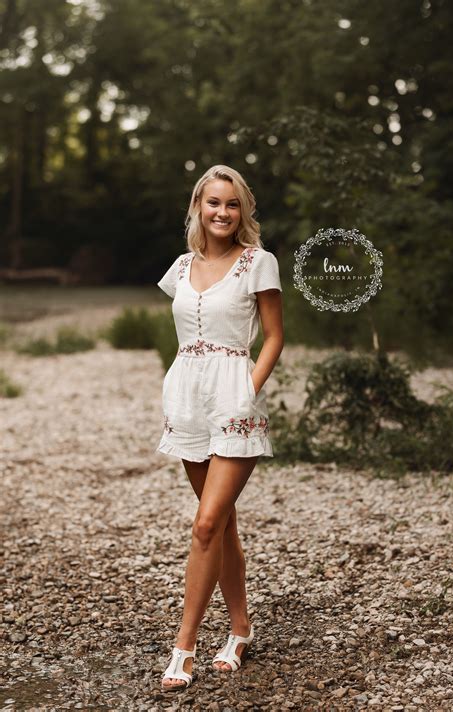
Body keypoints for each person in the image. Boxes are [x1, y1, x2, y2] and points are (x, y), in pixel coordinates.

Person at [155, 164, 284, 692]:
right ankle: (239, 630)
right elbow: (187, 338)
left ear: (243, 211)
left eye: (232, 204)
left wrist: (246, 390)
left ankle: (182, 646)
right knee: (223, 523)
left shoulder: (258, 262)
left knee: (205, 524)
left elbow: (274, 336)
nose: (223, 212)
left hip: (236, 400)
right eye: (213, 203)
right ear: (197, 208)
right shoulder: (181, 268)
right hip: (187, 402)